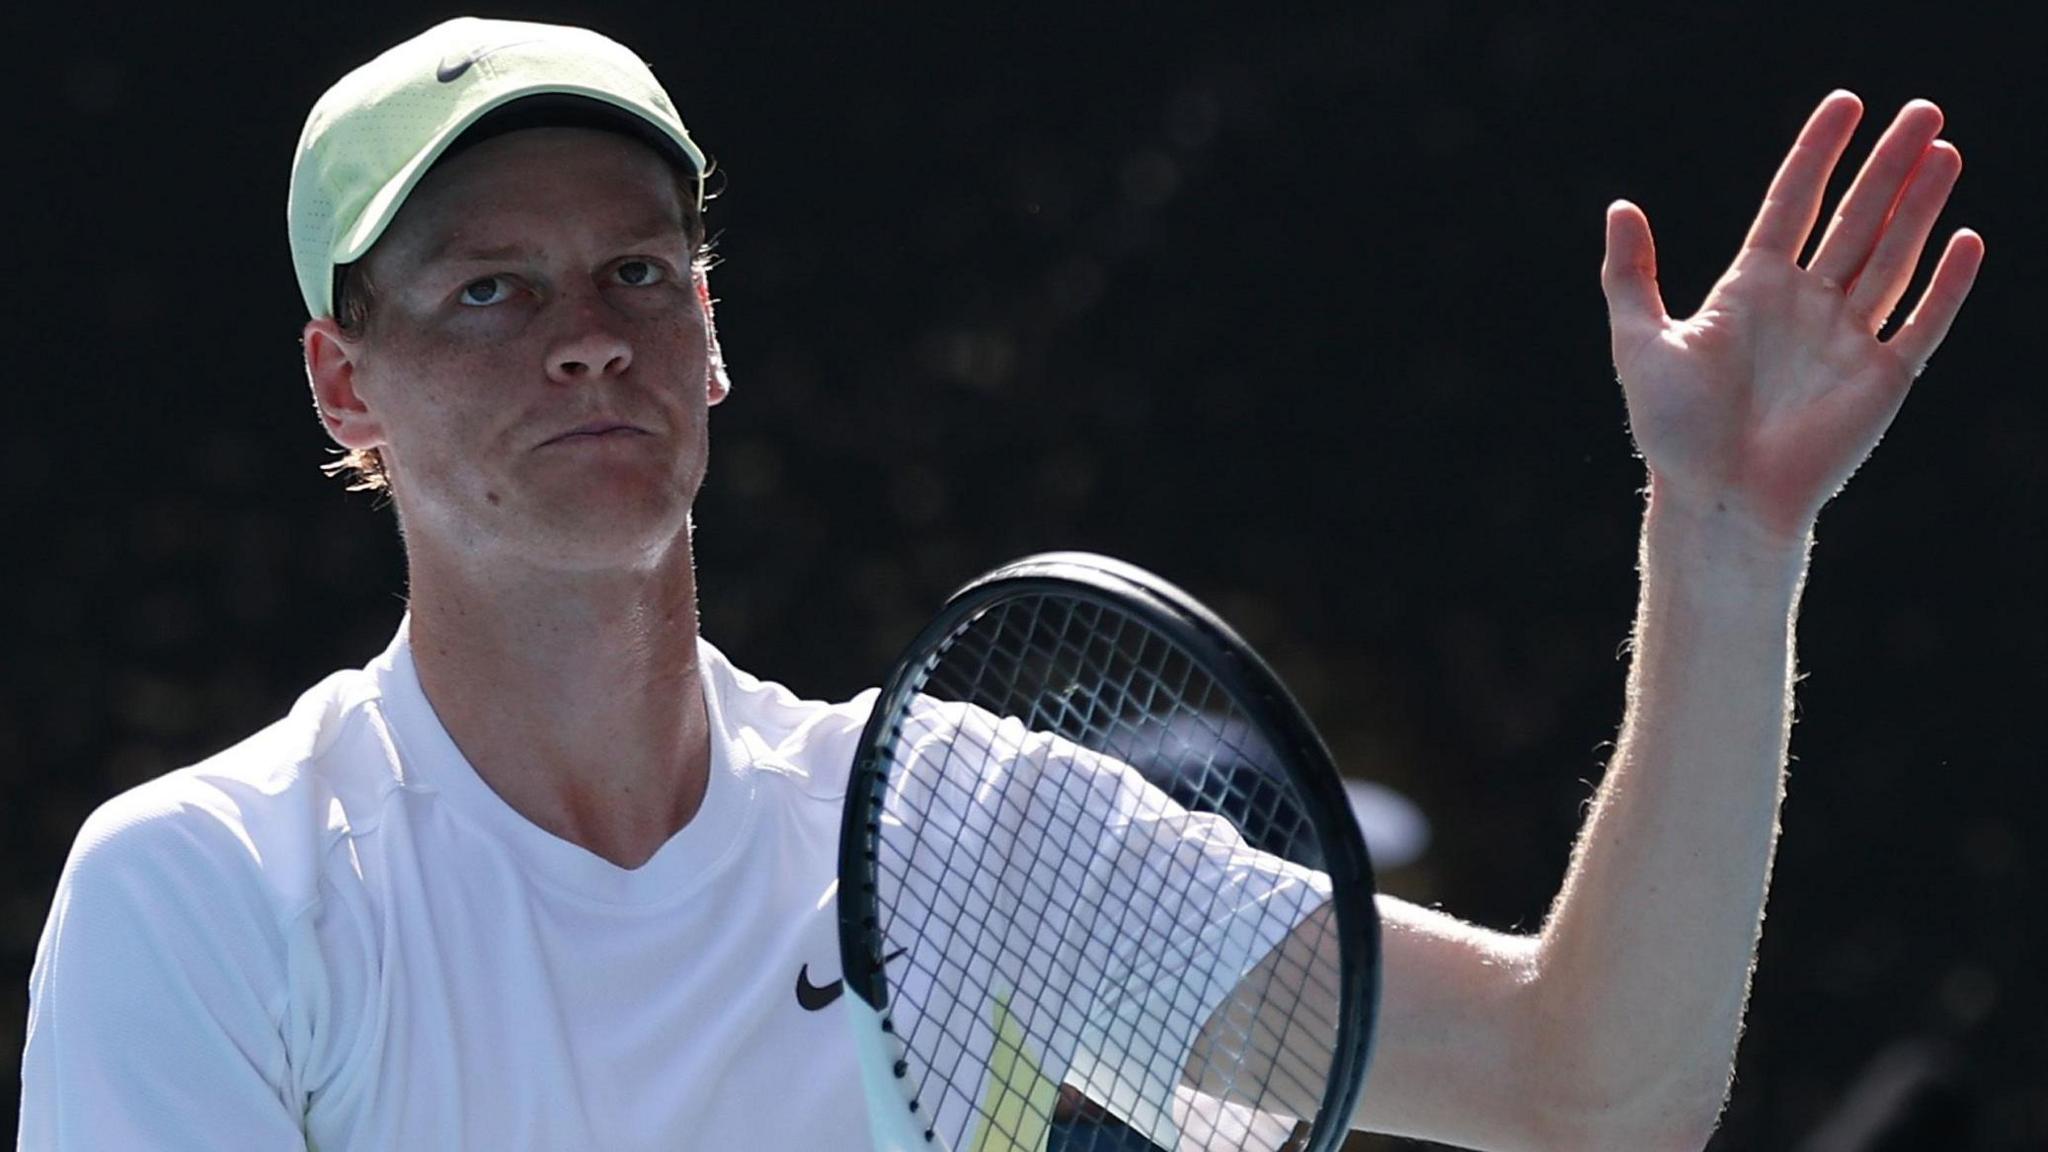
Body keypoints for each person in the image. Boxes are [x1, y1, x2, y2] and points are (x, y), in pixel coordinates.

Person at [17, 15, 1982, 1152]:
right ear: (342, 378)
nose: (588, 340)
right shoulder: (210, 889)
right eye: (487, 290)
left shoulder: (961, 828)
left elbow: (1594, 1090)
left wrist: (1726, 542)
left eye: (637, 271)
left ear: (713, 337)